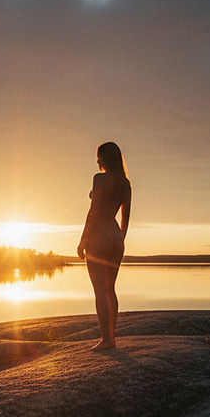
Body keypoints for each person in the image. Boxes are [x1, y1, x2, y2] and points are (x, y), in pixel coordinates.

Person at [77, 142, 131, 350]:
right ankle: (111, 338)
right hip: (115, 235)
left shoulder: (99, 179)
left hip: (98, 235)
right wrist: (119, 239)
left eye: (98, 156)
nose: (97, 161)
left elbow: (94, 212)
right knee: (110, 289)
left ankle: (107, 340)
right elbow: (126, 218)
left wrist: (83, 240)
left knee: (100, 291)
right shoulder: (125, 184)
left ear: (105, 158)